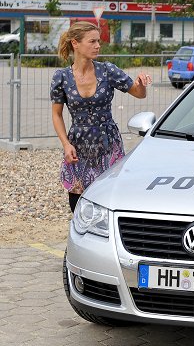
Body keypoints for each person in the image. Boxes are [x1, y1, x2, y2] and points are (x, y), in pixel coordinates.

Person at [51, 21, 152, 213]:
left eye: (99, 41)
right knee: (78, 201)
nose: (98, 46)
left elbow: (139, 93)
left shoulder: (108, 70)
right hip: (78, 144)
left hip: (108, 143)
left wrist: (141, 82)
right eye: (92, 41)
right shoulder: (61, 77)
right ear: (75, 43)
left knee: (109, 195)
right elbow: (56, 115)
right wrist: (65, 144)